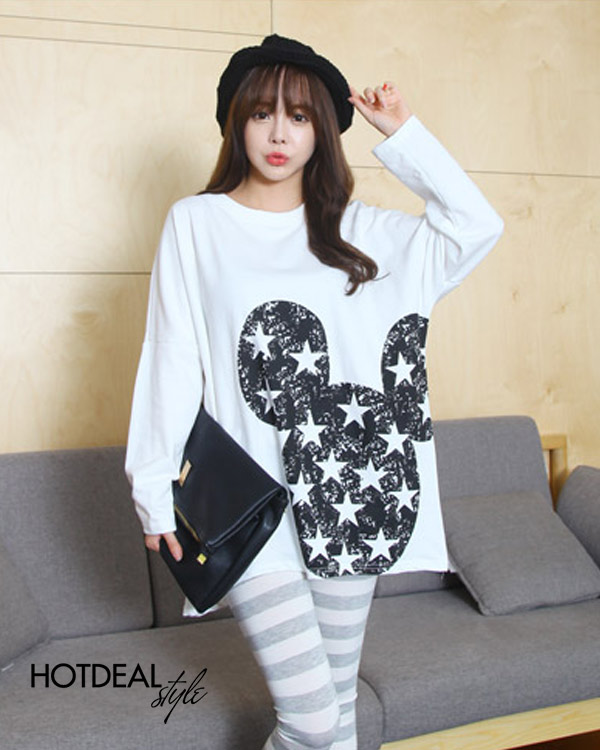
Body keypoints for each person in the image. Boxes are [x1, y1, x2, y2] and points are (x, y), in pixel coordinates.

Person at [125, 34, 504, 750]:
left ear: (322, 129)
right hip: (248, 506)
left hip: (349, 499)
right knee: (312, 720)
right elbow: (171, 356)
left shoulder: (365, 235)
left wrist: (403, 134)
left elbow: (476, 227)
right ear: (236, 121)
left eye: (299, 116)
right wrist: (151, 483)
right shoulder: (198, 224)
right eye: (262, 113)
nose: (279, 133)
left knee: (337, 710)